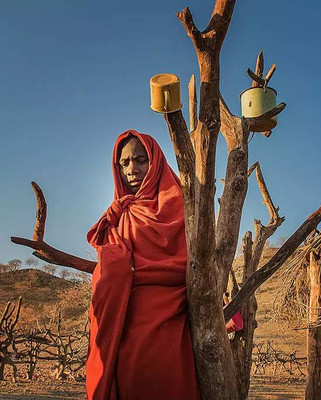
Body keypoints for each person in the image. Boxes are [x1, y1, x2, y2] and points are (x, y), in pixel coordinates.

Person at [85, 130, 242, 400]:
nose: (132, 169)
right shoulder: (123, 213)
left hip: (173, 317)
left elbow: (200, 264)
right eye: (124, 163)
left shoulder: (182, 204)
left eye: (140, 160)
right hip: (125, 320)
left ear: (156, 161)